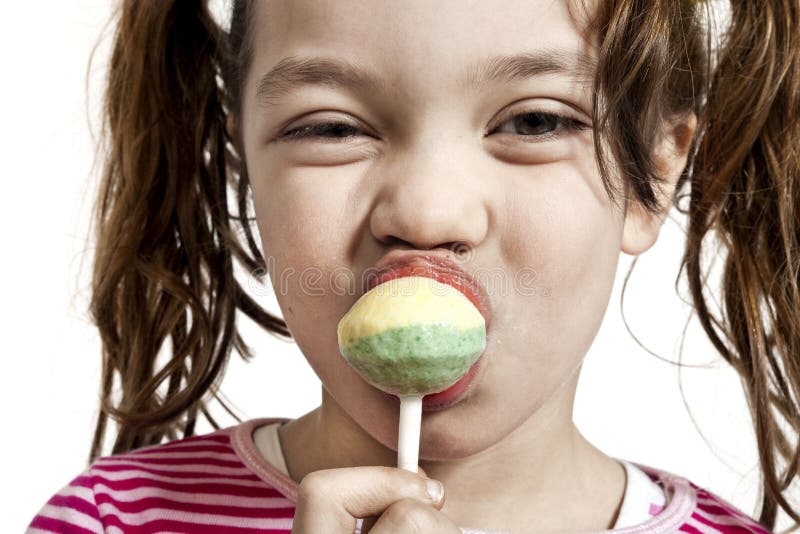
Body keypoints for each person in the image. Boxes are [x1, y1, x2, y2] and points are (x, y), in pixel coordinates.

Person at [27, 0, 800, 532]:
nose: (427, 213)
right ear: (243, 162)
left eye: (534, 120)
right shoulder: (115, 520)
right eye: (331, 127)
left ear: (652, 176)